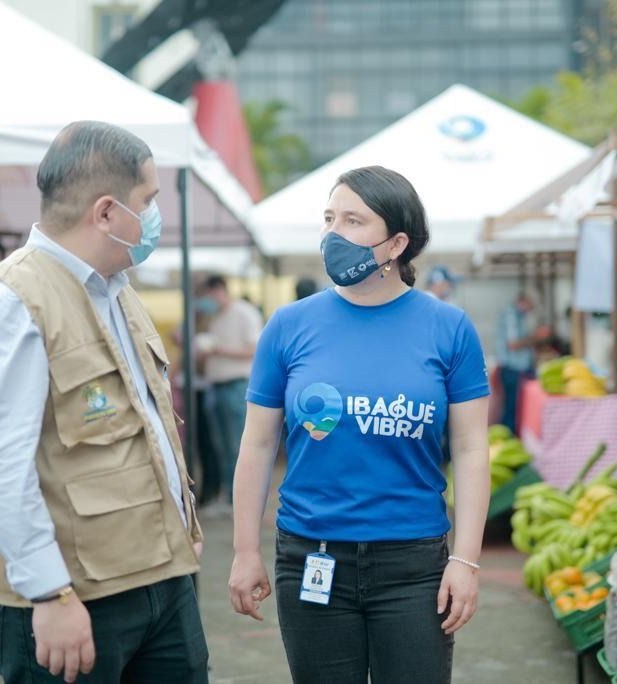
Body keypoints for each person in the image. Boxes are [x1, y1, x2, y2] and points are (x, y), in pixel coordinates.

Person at [0, 121, 207, 683]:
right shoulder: (7, 305)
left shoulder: (119, 290)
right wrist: (49, 594)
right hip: (73, 600)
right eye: (149, 200)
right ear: (107, 212)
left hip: (161, 579)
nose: (155, 214)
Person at [228, 166, 491, 683]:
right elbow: (257, 446)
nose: (333, 233)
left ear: (396, 243)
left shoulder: (448, 328)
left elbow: (471, 448)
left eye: (353, 220)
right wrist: (243, 552)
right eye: (329, 218)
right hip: (310, 558)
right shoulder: (288, 326)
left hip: (415, 567)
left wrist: (466, 560)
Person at [195, 274, 263, 515]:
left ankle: (241, 500)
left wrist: (219, 350)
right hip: (217, 385)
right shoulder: (216, 317)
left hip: (236, 385)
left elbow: (255, 350)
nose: (206, 301)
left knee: (237, 445)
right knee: (222, 446)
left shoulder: (244, 313)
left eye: (208, 295)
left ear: (219, 290)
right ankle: (230, 497)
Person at [495, 291, 535, 433]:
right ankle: (506, 437)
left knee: (513, 407)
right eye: (530, 305)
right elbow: (513, 344)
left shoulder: (519, 316)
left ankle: (507, 436)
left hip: (514, 369)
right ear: (523, 302)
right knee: (511, 408)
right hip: (512, 369)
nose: (530, 309)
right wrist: (535, 337)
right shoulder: (512, 316)